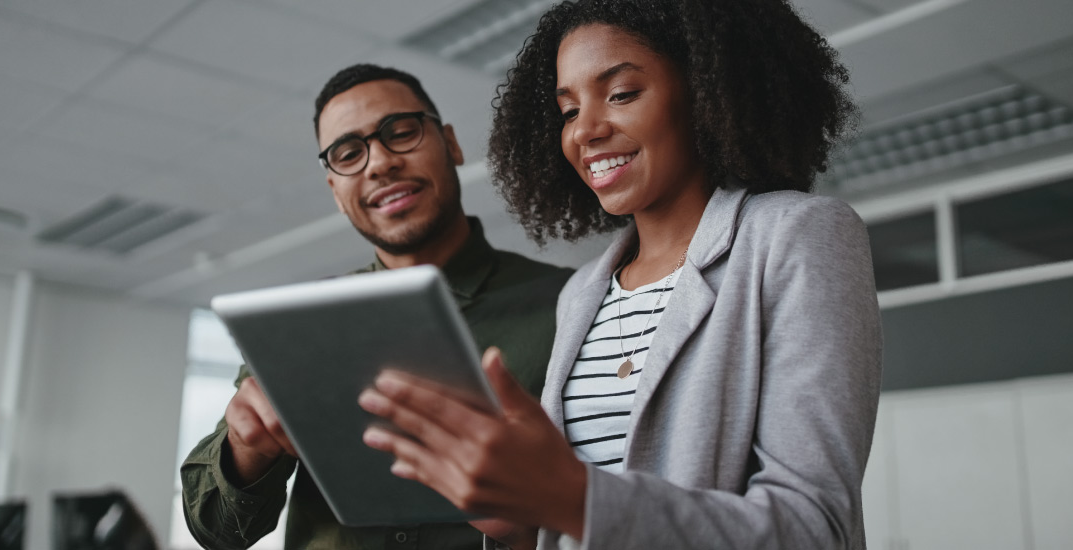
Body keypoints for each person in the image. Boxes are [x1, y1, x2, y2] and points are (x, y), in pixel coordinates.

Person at [354, 1, 882, 549]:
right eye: (567, 111)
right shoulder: (582, 293)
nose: (585, 131)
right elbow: (574, 522)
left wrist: (570, 497)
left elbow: (814, 529)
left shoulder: (798, 235)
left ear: (703, 91)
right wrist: (516, 517)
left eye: (622, 94)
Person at [180, 64, 573, 550]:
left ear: (450, 143)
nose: (379, 162)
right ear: (335, 193)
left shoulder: (572, 304)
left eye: (401, 132)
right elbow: (214, 529)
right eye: (348, 153)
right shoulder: (302, 326)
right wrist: (244, 449)